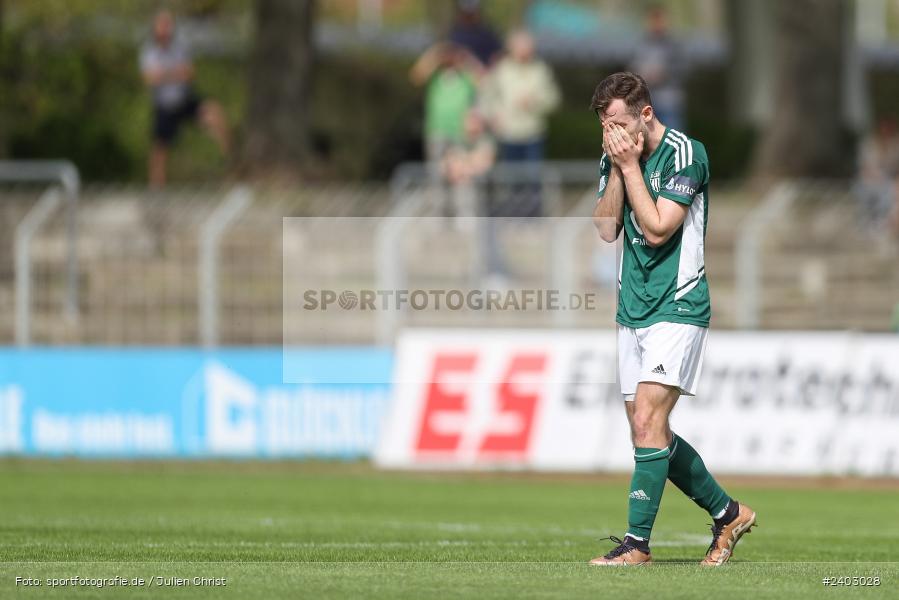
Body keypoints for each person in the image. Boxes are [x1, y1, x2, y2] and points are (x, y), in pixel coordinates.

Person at [590, 72, 756, 566]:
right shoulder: (618, 156)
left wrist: (631, 168)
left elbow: (660, 228)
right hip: (632, 309)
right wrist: (620, 168)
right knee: (648, 432)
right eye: (604, 125)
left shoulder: (687, 153)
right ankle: (729, 514)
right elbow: (604, 227)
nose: (611, 133)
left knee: (646, 420)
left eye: (618, 121)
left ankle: (637, 545)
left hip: (678, 305)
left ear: (645, 114)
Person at [140, 9, 230, 188]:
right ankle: (157, 190)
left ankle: (232, 167)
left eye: (168, 25)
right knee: (159, 150)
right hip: (165, 105)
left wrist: (164, 74)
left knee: (213, 113)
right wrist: (174, 73)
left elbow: (188, 73)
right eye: (162, 26)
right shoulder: (149, 51)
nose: (165, 30)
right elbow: (150, 78)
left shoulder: (179, 47)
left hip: (183, 99)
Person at [481, 30, 559, 217]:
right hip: (508, 134)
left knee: (532, 179)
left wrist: (535, 101)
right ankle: (512, 215)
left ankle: (531, 217)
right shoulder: (502, 70)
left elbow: (552, 98)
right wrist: (492, 116)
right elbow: (486, 97)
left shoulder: (540, 69)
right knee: (510, 179)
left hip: (533, 133)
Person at [409, 42, 482, 172]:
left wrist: (466, 58)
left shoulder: (465, 77)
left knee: (462, 172)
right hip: (437, 130)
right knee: (436, 172)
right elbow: (416, 75)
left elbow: (482, 78)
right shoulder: (435, 77)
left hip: (460, 132)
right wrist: (434, 54)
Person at [629, 5, 687, 132]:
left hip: (669, 102)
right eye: (653, 20)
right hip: (646, 103)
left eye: (659, 20)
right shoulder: (641, 45)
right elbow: (633, 69)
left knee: (672, 142)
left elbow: (682, 69)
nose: (656, 24)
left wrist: (663, 75)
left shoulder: (674, 45)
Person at [855, 117, 899, 233]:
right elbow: (865, 166)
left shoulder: (895, 144)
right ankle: (871, 223)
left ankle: (885, 223)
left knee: (890, 192)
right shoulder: (869, 144)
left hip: (890, 179)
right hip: (871, 178)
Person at [448, 0, 502, 68]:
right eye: (467, 14)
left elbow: (498, 56)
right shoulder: (454, 35)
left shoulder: (487, 34)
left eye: (471, 13)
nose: (469, 16)